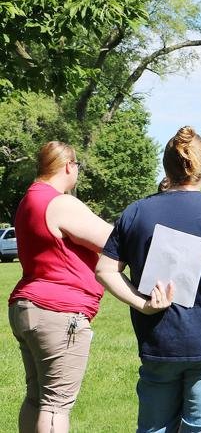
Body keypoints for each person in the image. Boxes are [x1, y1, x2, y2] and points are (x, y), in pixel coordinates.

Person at [95, 126, 201, 432]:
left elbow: (105, 270)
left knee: (154, 428)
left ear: (166, 166)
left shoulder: (136, 212)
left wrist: (142, 303)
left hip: (160, 341)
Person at [8, 141, 113, 433]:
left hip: (27, 306)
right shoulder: (60, 202)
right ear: (69, 166)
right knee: (56, 405)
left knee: (36, 398)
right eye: (77, 166)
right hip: (59, 311)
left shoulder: (29, 200)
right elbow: (113, 240)